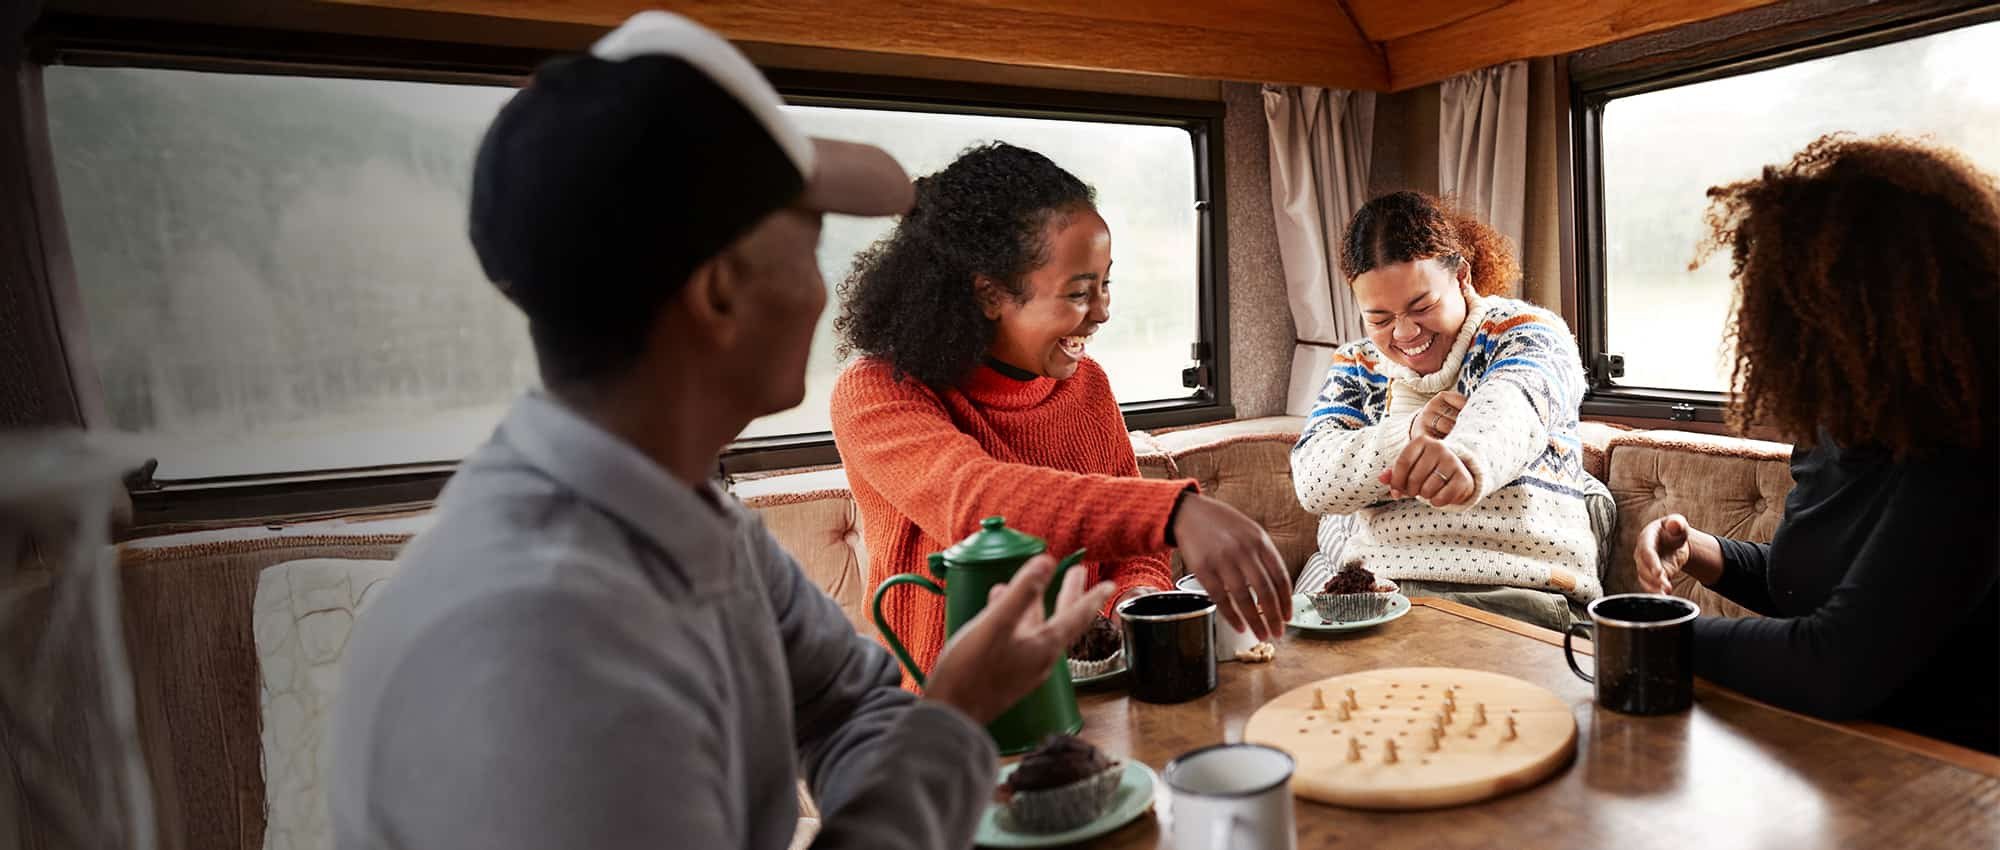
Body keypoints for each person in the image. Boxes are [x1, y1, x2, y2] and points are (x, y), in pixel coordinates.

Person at [329, 14, 1116, 850]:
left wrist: (940, 729)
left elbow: (844, 705)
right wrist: (956, 719)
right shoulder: (541, 645)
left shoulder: (695, 519)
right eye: (809, 247)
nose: (827, 298)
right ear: (719, 294)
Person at [829, 142, 1291, 686]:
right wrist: (1175, 512)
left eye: (1105, 283)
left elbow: (1133, 554)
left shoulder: (1089, 387)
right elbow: (976, 502)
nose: (1102, 312)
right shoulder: (880, 390)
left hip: (1092, 691)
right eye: (1078, 292)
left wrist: (1134, 599)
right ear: (990, 293)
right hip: (953, 712)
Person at [1635, 134, 1997, 754]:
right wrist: (1698, 550)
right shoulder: (1837, 425)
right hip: (1843, 749)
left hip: (1955, 780)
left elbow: (1833, 664)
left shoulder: (1970, 452)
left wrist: (1646, 631)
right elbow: (1804, 582)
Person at [1289, 191, 1611, 631]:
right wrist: (1410, 434)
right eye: (1379, 319)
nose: (1404, 332)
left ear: (1461, 276)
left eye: (1421, 307)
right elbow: (1313, 480)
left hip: (1519, 596)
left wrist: (1464, 459)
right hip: (1382, 598)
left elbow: (1517, 401)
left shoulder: (1524, 332)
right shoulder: (1356, 365)